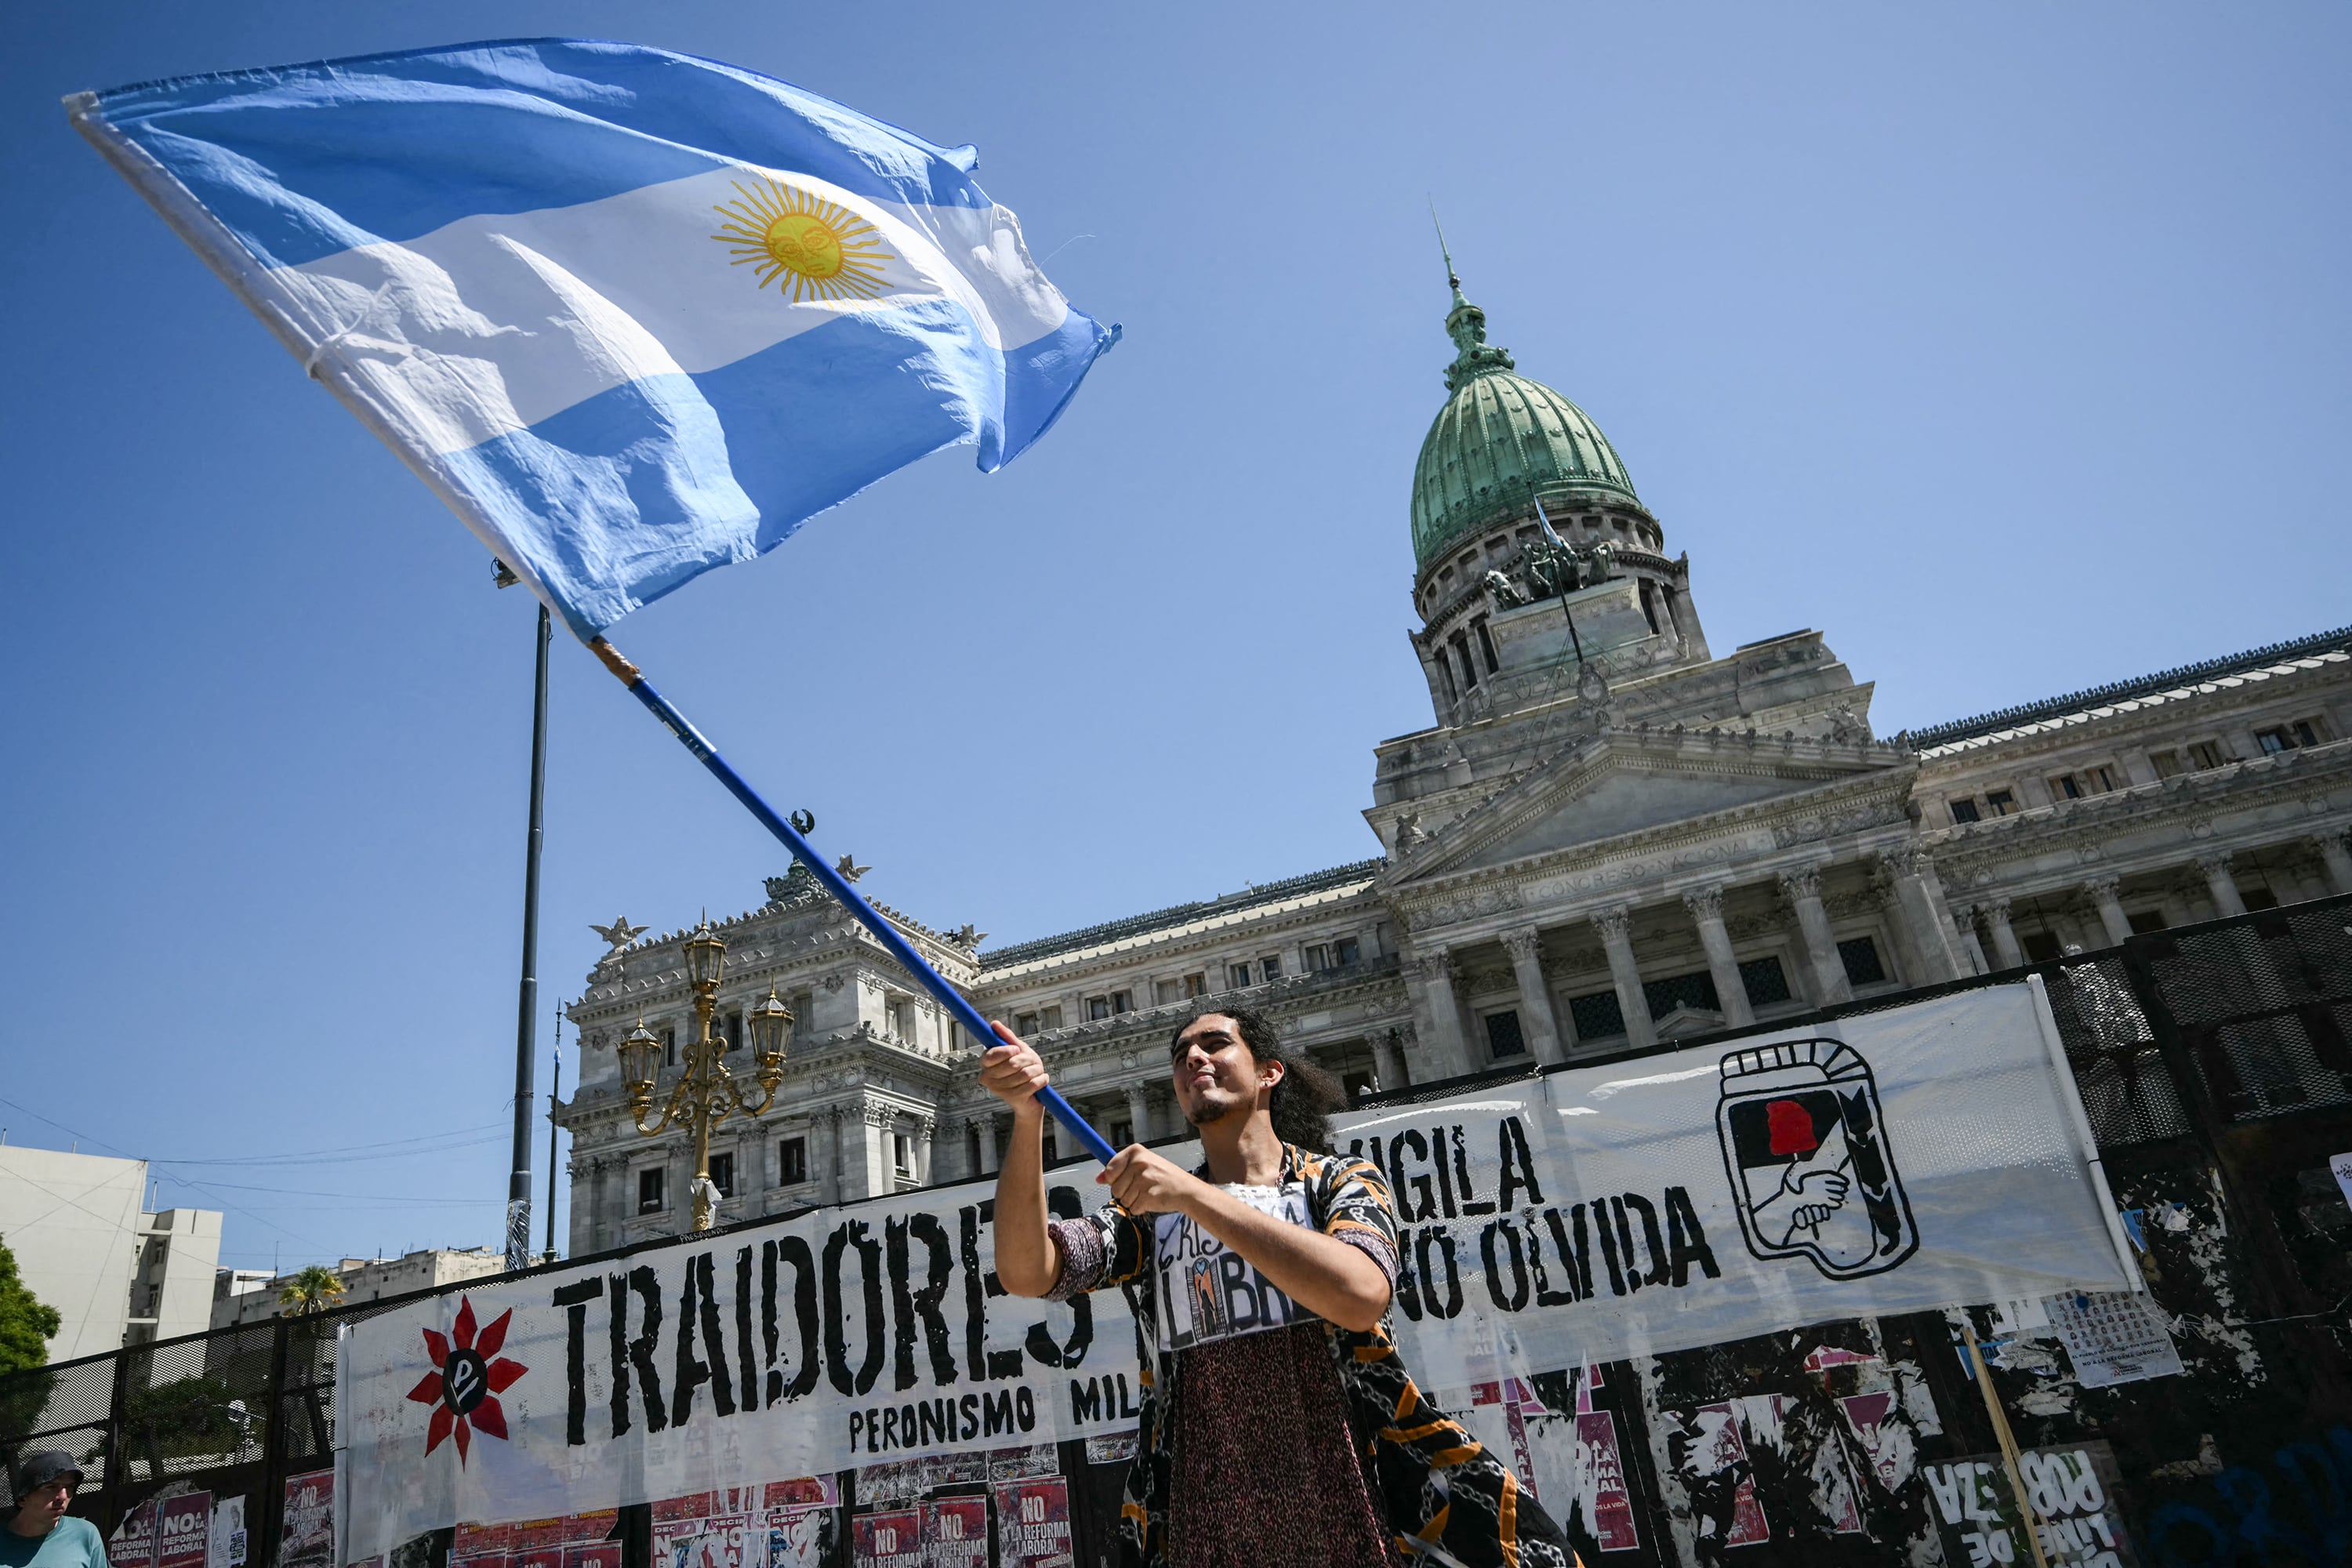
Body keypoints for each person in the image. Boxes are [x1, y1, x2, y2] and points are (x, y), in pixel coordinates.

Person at [983, 1006, 1580, 1568]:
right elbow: (1029, 1271)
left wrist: (1196, 1197)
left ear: (1271, 1073)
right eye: (1182, 1054)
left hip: (1351, 1499)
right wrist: (1027, 1117)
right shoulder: (1152, 1217)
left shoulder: (1338, 1181)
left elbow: (1359, 1293)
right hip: (1204, 1516)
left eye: (1215, 1044)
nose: (1194, 1058)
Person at [3, 1453, 108, 1568]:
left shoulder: (86, 1534)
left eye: (69, 1487)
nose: (63, 1496)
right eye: (51, 1487)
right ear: (23, 1498)